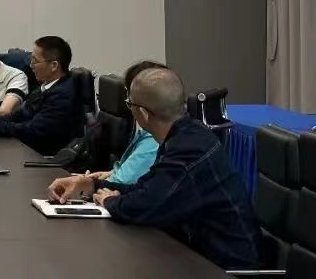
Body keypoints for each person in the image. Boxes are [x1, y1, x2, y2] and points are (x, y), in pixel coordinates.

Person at [47, 67, 261, 270]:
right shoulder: (186, 135)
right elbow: (146, 189)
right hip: (199, 257)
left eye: (129, 104)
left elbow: (145, 204)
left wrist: (110, 201)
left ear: (143, 113)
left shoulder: (188, 150)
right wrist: (91, 184)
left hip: (225, 267)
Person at [0, 35, 82, 156]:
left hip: (43, 159)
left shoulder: (62, 96)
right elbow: (17, 117)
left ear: (54, 65)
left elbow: (32, 130)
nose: (31, 65)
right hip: (26, 150)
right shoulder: (45, 87)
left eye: (35, 61)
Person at [82, 60, 165, 186]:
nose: (127, 101)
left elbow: (122, 183)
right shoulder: (151, 131)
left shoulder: (154, 140)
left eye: (129, 97)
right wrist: (111, 173)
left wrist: (89, 184)